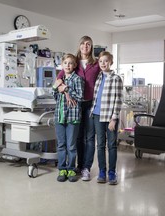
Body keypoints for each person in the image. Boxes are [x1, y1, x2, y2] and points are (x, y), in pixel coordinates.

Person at [56, 36, 101, 181]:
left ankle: (86, 168)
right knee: (76, 138)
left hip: (89, 104)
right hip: (75, 105)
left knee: (89, 137)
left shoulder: (96, 64)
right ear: (79, 45)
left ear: (91, 47)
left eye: (88, 44)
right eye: (83, 43)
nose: (85, 46)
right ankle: (75, 167)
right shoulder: (73, 62)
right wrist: (64, 89)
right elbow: (58, 80)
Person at [90, 51, 123, 185]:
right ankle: (102, 172)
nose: (103, 63)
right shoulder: (98, 78)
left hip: (110, 117)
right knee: (100, 145)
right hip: (97, 115)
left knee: (111, 145)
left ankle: (112, 172)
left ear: (111, 62)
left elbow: (118, 99)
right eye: (101, 61)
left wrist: (114, 118)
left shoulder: (116, 78)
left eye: (106, 61)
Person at [52, 53, 84, 182]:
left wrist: (67, 89)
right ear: (62, 65)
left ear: (75, 65)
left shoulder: (77, 79)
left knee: (71, 145)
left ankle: (71, 169)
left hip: (72, 117)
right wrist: (56, 87)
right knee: (61, 145)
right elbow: (55, 97)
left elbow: (81, 97)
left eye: (70, 63)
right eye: (65, 63)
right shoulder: (60, 80)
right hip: (59, 116)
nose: (68, 65)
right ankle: (62, 169)